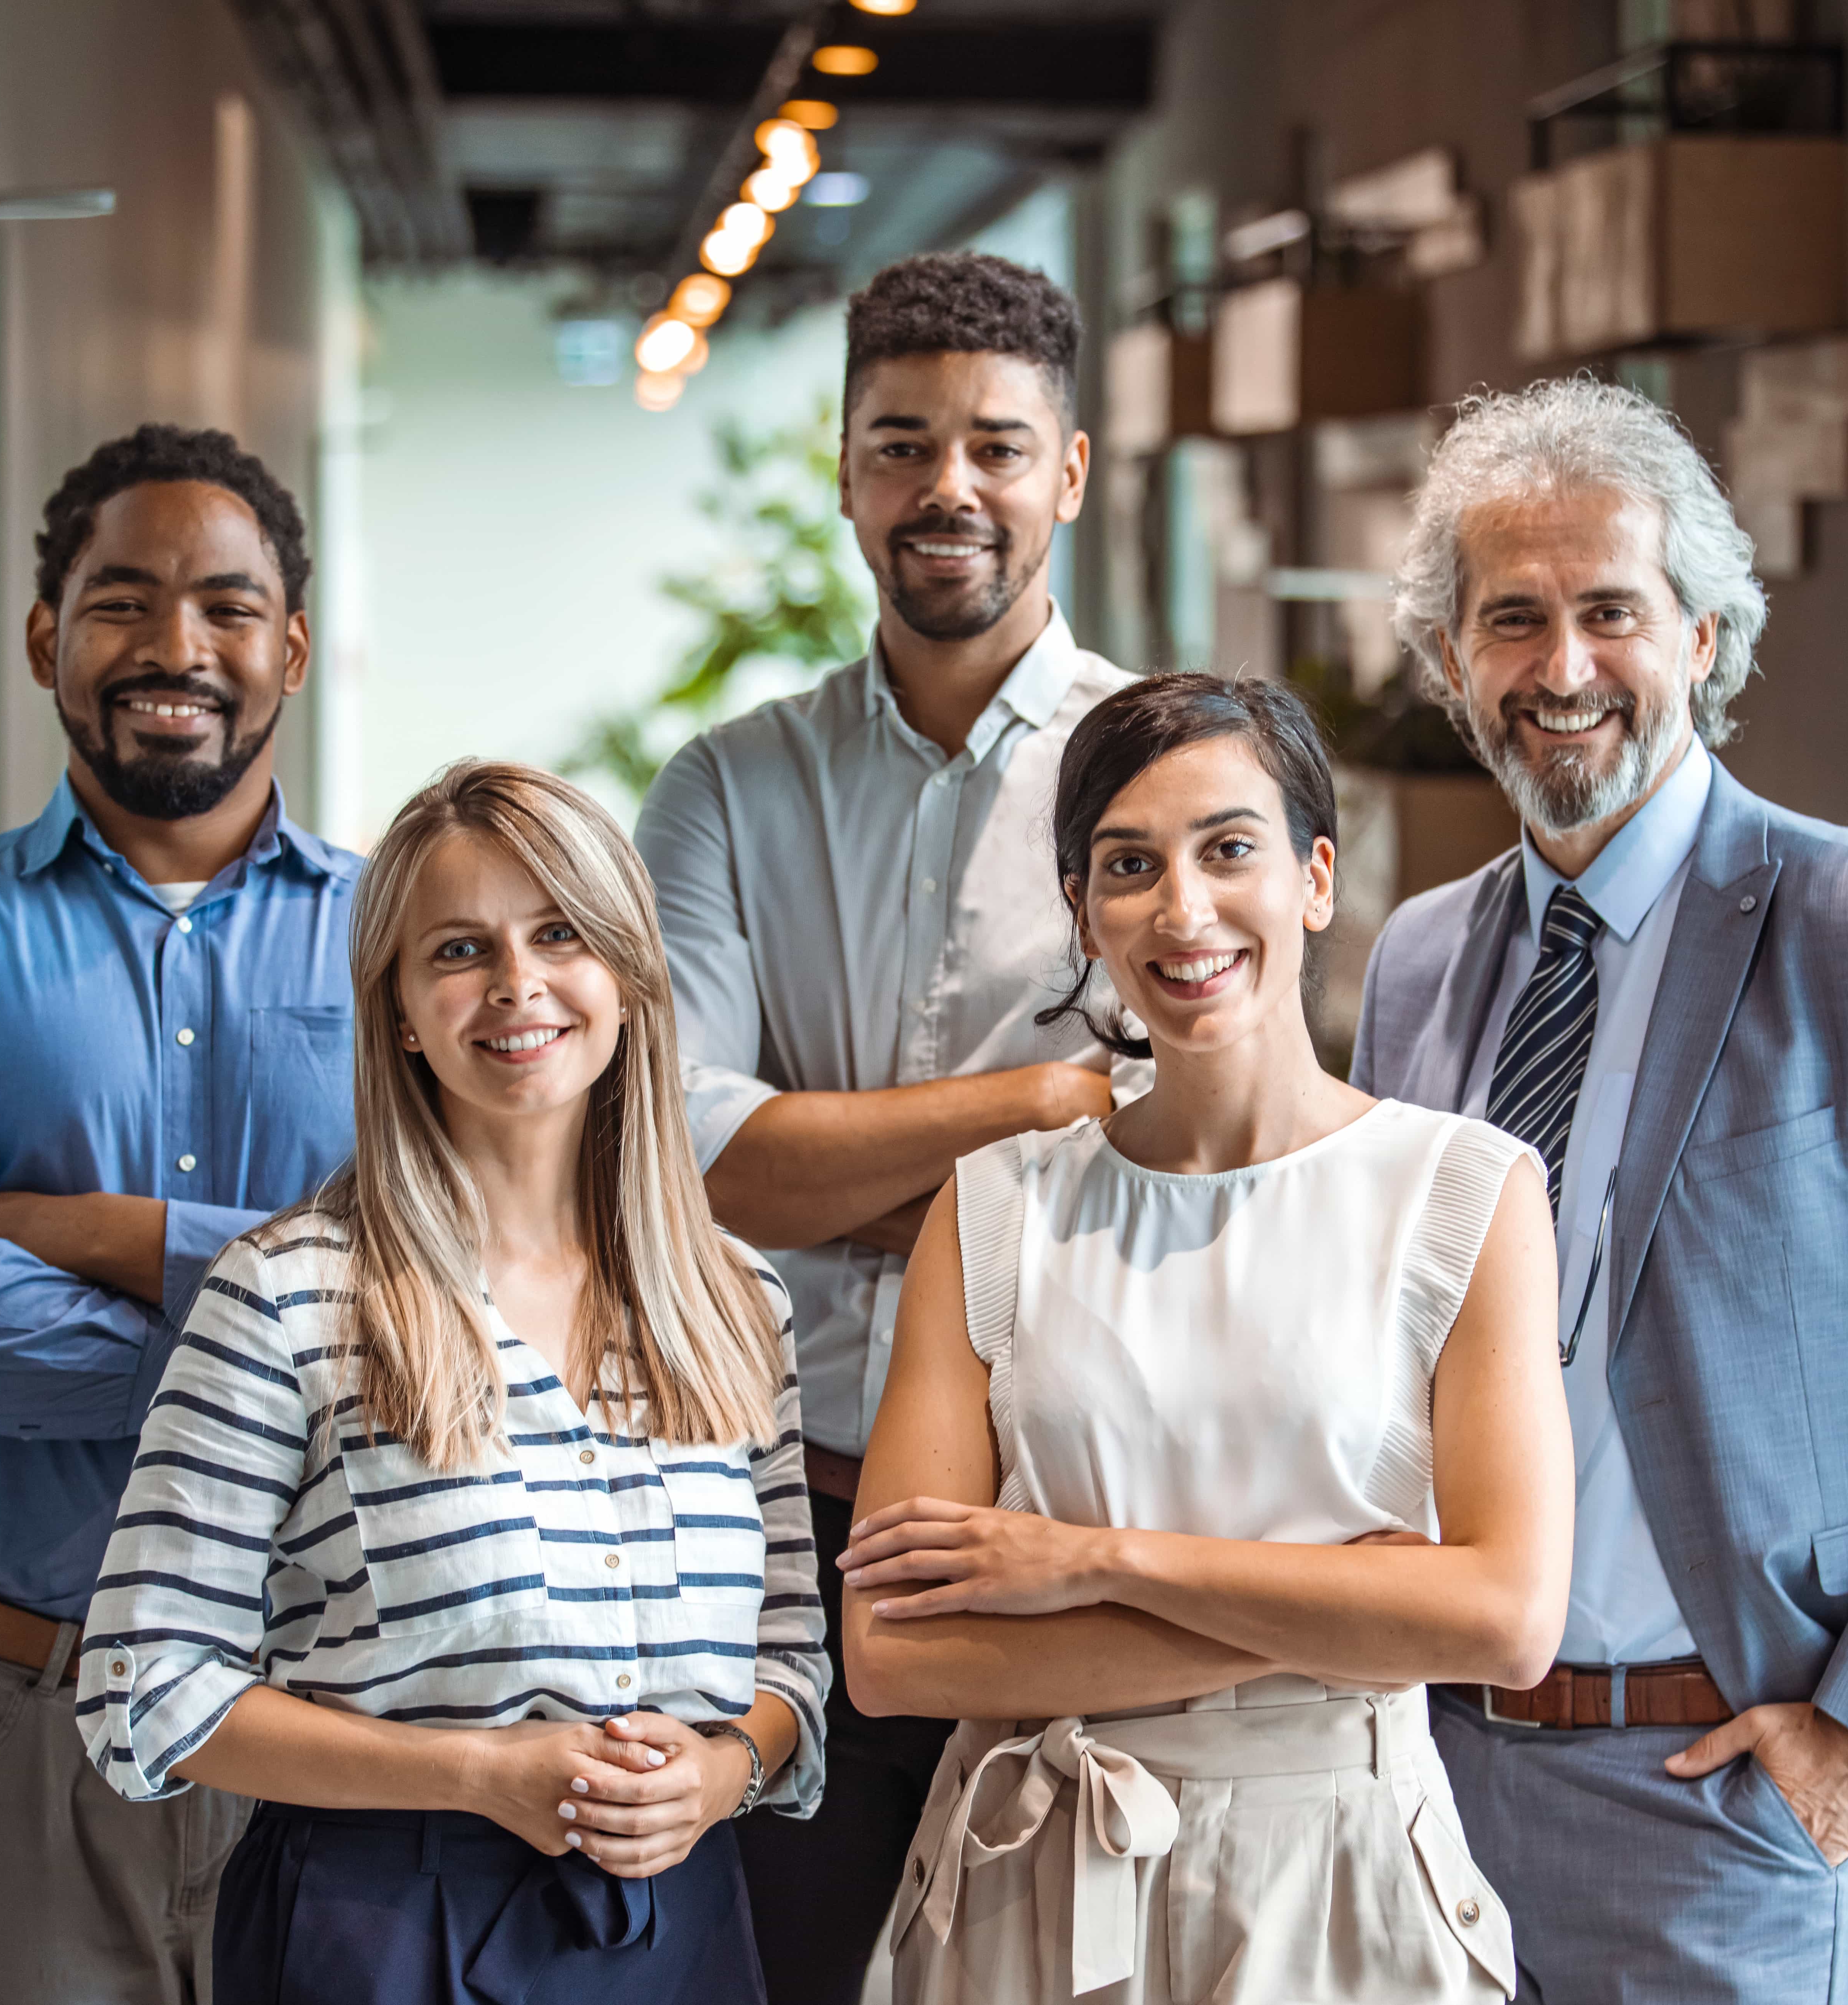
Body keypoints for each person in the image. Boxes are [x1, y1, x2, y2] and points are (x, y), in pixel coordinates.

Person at [1353, 376, 1848, 2003]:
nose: (1561, 671)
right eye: (1510, 621)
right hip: (1426, 1779)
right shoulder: (1414, 962)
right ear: (1446, 665)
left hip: (1717, 1796)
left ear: (1701, 637)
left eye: (1610, 612)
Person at [840, 673, 1571, 2004]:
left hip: (1338, 1882)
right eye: (1128, 865)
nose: (1182, 911)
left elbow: (1507, 1618)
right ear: (1080, 910)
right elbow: (897, 1656)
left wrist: (1090, 1562)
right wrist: (1358, 1610)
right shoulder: (996, 1205)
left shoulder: (1464, 1192)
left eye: (1229, 847)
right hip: (1034, 1878)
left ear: (1313, 876)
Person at [76, 760, 826, 2005]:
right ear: (403, 1012)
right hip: (381, 1925)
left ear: (631, 980)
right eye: (461, 949)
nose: (517, 984)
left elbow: (792, 1653)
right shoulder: (289, 1294)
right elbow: (144, 1688)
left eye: (559, 934)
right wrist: (475, 1773)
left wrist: (722, 1770)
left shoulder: (734, 1298)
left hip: (685, 1922)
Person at [0, 423, 361, 2003]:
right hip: (11, 1709)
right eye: (124, 602)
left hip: (347, 1717)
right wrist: (305, 1358)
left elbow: (488, 1293)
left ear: (289, 647)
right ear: (48, 636)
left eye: (229, 607)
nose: (177, 647)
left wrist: (107, 1237)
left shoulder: (411, 948)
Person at [632, 249, 1146, 2003]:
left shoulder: (1161, 778)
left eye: (998, 447)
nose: (951, 488)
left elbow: (1176, 1160)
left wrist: (830, 1165)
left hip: (1076, 1538)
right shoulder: (722, 788)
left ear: (1067, 474)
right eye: (903, 443)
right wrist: (1033, 1108)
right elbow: (693, 1157)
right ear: (847, 472)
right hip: (788, 1540)